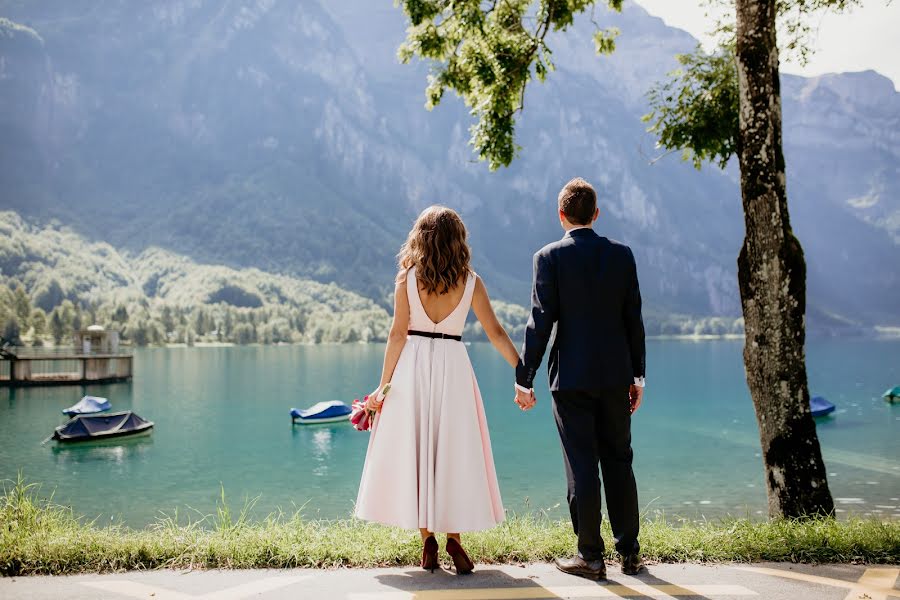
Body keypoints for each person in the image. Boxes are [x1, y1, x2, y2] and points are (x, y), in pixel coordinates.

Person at [355, 205, 522, 574]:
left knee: (419, 450)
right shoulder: (471, 281)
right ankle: (455, 540)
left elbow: (398, 334)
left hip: (413, 366)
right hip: (453, 365)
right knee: (452, 450)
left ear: (422, 237)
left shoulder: (406, 278)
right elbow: (495, 332)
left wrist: (381, 388)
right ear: (458, 241)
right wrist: (521, 370)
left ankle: (427, 539)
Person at [514, 177, 646, 581]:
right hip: (616, 377)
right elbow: (633, 322)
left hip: (570, 380)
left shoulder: (549, 257)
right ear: (596, 214)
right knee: (619, 462)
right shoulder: (622, 256)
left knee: (582, 465)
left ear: (561, 215)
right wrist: (637, 376)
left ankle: (590, 556)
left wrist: (525, 378)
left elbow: (541, 323)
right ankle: (630, 554)